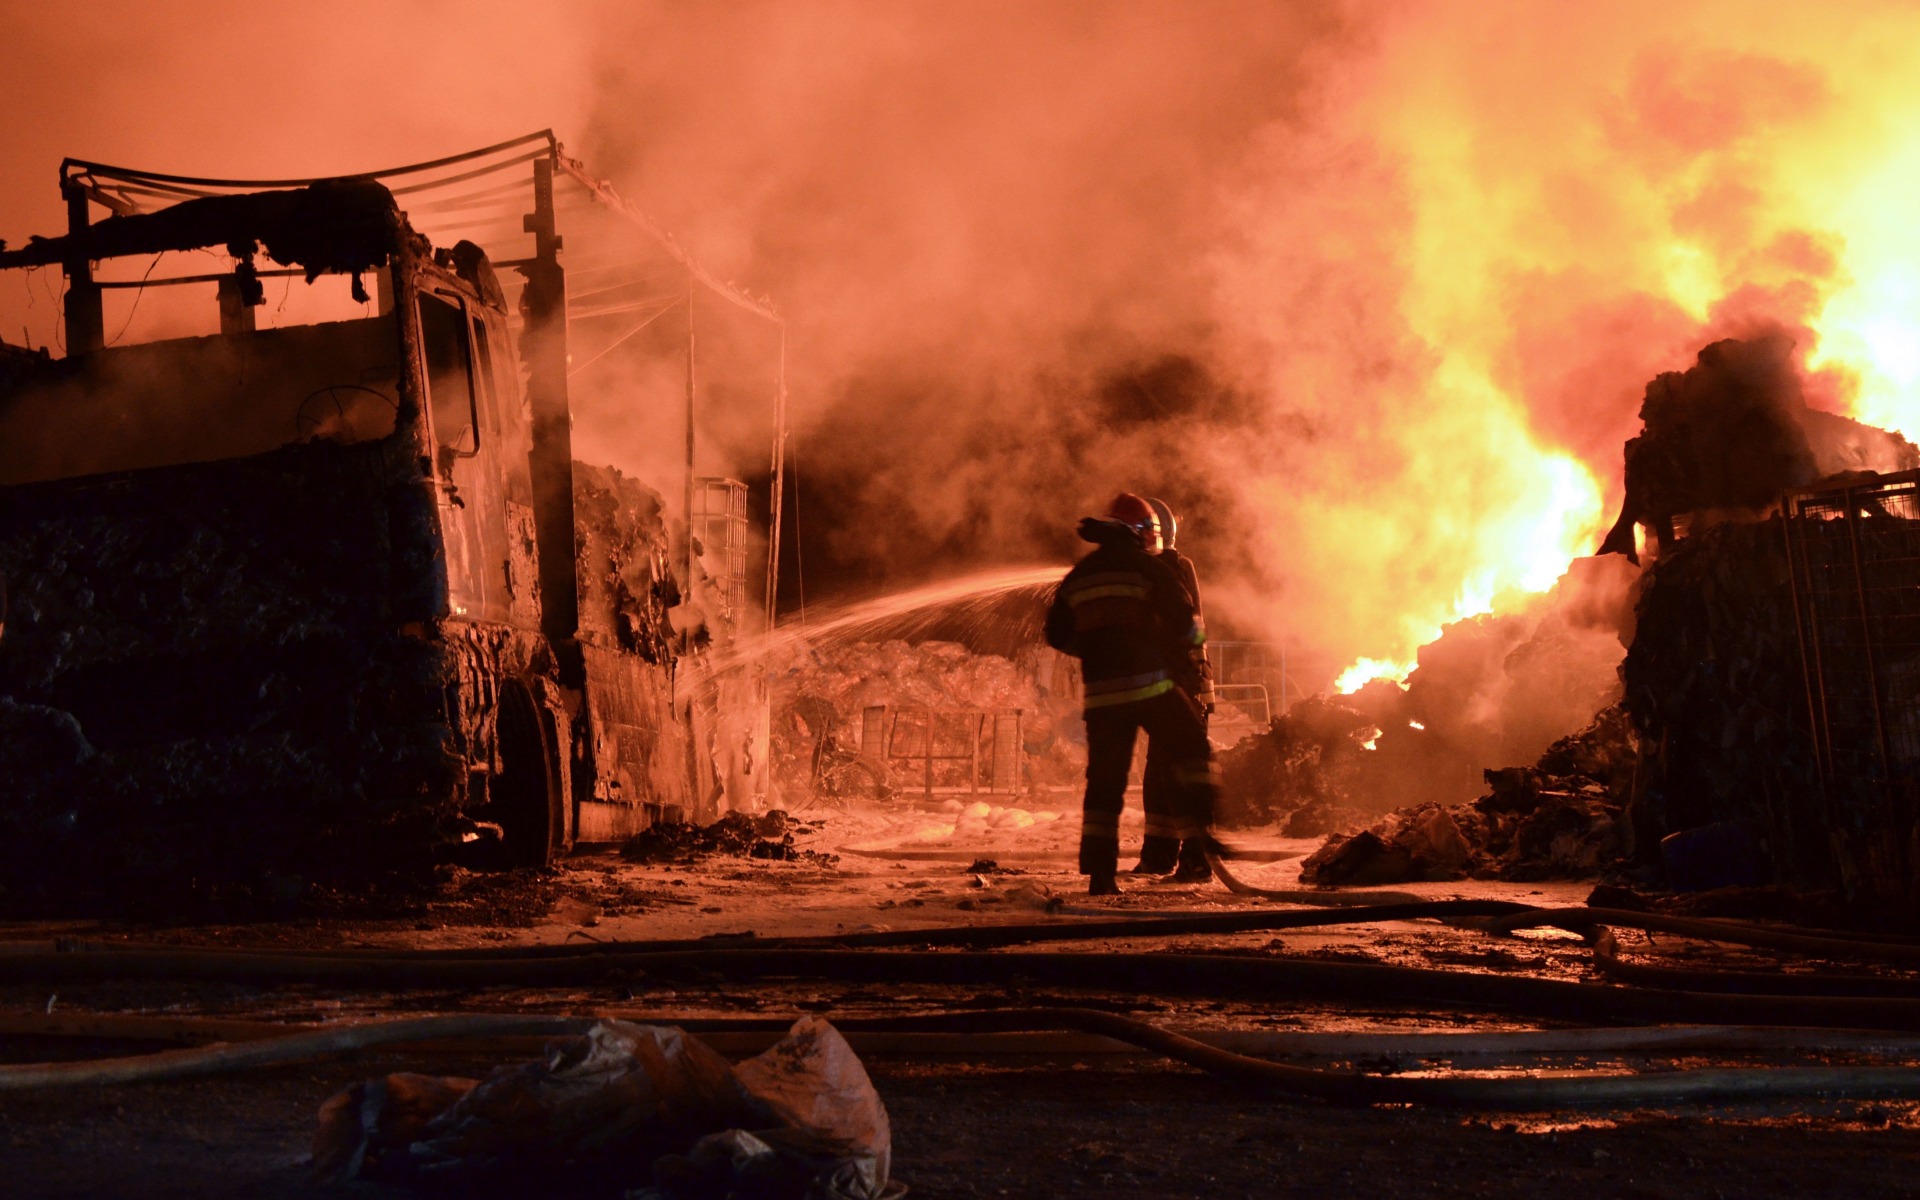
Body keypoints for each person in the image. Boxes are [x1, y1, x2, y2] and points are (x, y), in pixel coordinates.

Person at [1044, 493, 1218, 895]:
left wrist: (1094, 651)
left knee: (1105, 784)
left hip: (1103, 697)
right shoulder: (1150, 567)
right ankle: (1199, 851)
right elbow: (1187, 623)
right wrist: (1179, 651)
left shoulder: (1082, 571)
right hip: (1153, 685)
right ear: (1141, 532)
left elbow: (1056, 633)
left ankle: (1100, 877)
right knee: (1192, 753)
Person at [1135, 496, 1217, 880]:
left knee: (1178, 774)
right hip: (1165, 683)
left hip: (1183, 683)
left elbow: (1188, 628)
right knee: (1157, 776)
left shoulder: (1173, 569)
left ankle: (1198, 859)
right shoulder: (1150, 571)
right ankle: (1159, 855)